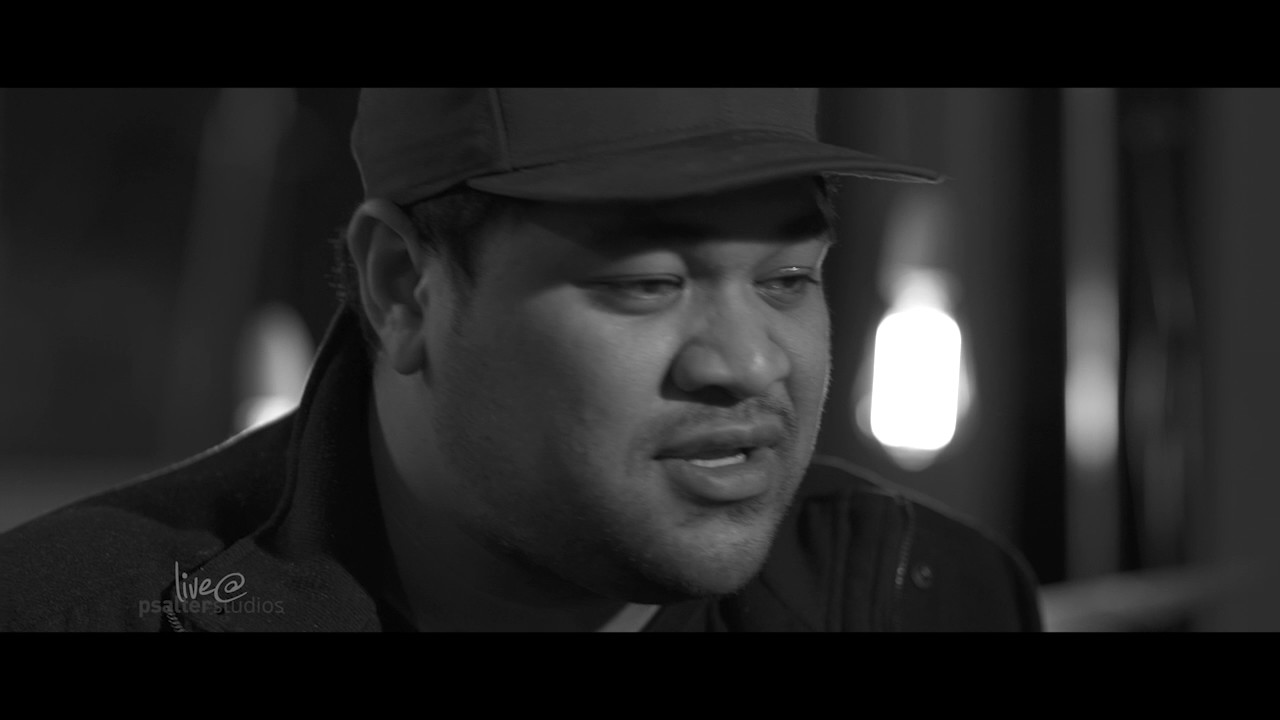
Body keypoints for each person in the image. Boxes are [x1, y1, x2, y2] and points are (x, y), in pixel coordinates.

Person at [0, 88, 1041, 632]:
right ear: (402, 288)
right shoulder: (78, 615)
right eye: (647, 282)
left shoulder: (924, 595)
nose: (747, 364)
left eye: (788, 279)